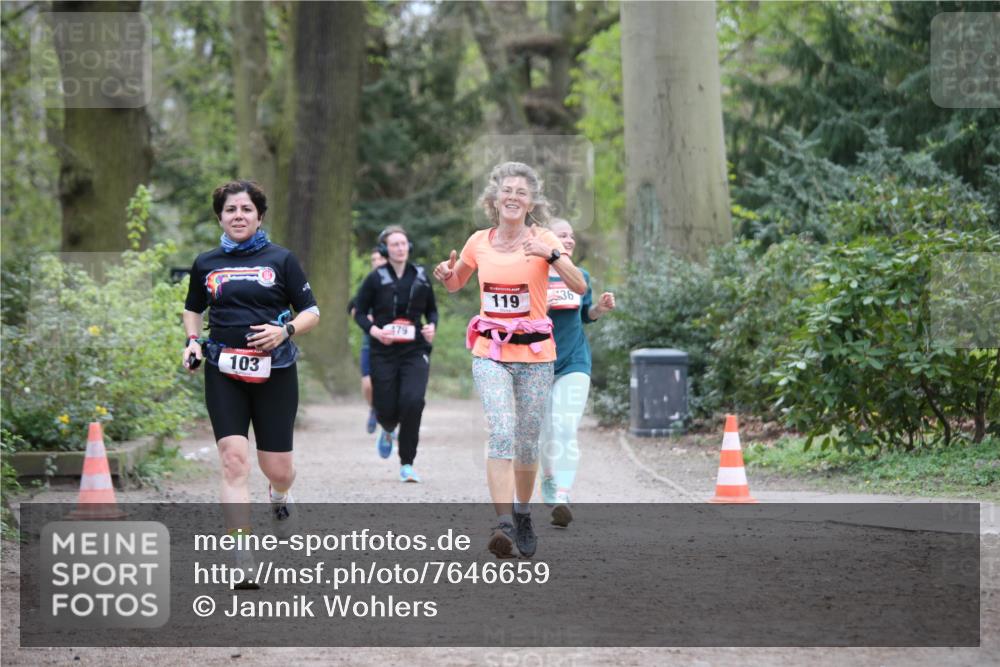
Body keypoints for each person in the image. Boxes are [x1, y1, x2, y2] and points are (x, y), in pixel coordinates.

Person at [433, 162, 586, 559]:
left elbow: (580, 286)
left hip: (535, 354)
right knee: (501, 430)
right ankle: (502, 523)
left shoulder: (544, 239)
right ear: (494, 199)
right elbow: (455, 284)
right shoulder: (478, 242)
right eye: (507, 190)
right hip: (491, 351)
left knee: (526, 441)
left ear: (531, 201)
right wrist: (446, 274)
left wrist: (552, 254)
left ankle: (522, 513)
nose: (513, 197)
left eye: (521, 191)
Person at [182, 180, 319, 553]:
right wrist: (193, 342)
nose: (238, 216)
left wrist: (284, 331)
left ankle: (280, 491)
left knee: (278, 469)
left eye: (246, 210)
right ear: (220, 218)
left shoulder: (281, 260)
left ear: (259, 216)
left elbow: (312, 312)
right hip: (223, 369)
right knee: (233, 461)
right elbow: (193, 308)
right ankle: (242, 553)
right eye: (230, 210)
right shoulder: (206, 263)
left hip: (274, 372)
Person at [540, 218, 616, 527]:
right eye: (561, 235)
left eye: (571, 235)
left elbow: (586, 315)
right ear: (547, 241)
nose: (569, 240)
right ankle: (547, 478)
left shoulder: (580, 276)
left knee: (565, 426)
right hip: (538, 362)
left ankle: (563, 494)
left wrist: (599, 308)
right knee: (544, 432)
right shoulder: (534, 275)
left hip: (574, 362)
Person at [353, 225, 438, 482]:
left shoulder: (421, 276)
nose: (400, 248)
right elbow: (358, 310)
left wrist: (432, 326)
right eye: (394, 245)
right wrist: (375, 331)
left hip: (414, 350)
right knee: (386, 406)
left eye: (403, 243)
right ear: (385, 250)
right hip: (383, 351)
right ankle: (387, 428)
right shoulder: (376, 278)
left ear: (408, 247)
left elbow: (432, 311)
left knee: (413, 401)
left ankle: (407, 464)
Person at [349, 248, 389, 434]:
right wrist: (365, 319)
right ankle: (374, 409)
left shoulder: (398, 282)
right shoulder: (369, 284)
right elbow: (353, 307)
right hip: (370, 343)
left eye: (380, 258)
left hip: (394, 344)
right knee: (368, 384)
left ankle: (390, 422)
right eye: (373, 259)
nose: (377, 262)